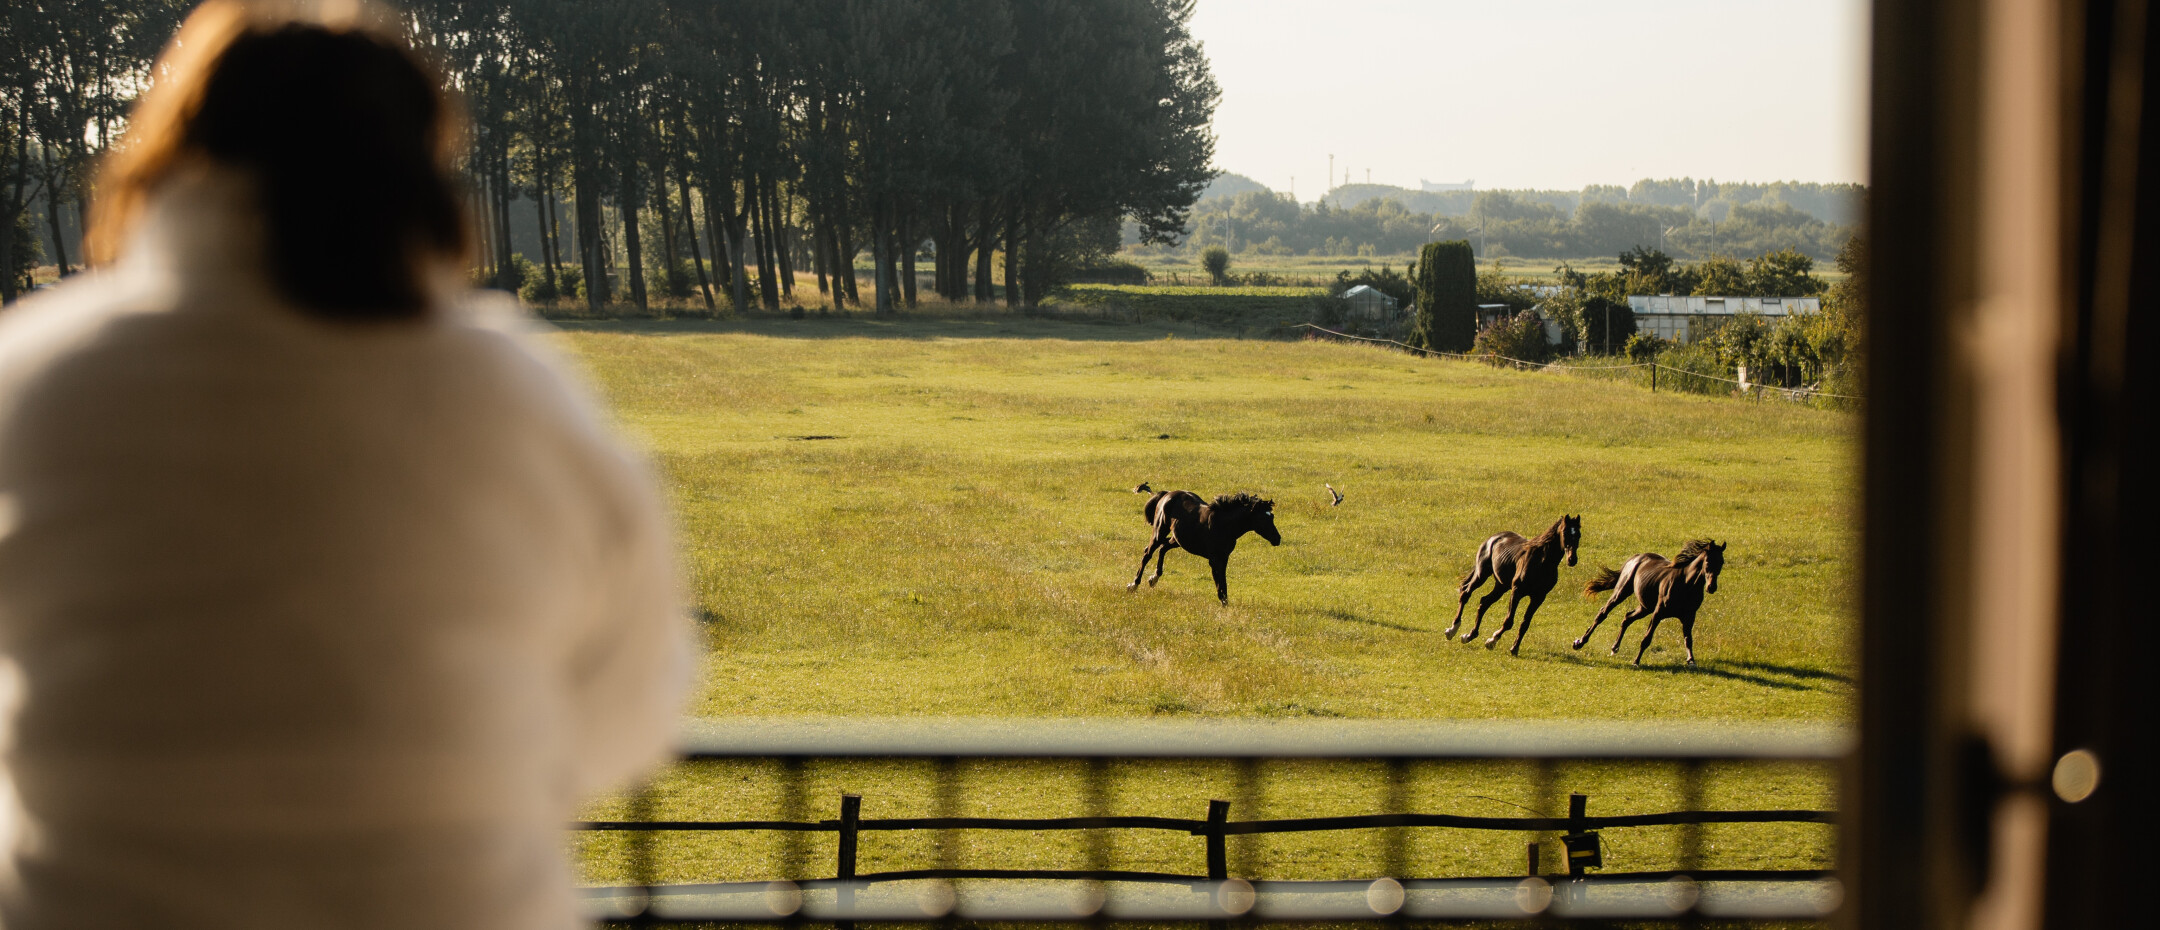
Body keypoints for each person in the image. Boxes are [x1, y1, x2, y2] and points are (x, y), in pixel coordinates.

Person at [0, 2, 691, 927]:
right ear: (414, 171)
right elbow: (632, 691)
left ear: (170, 150)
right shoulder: (513, 391)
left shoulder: (37, 375)